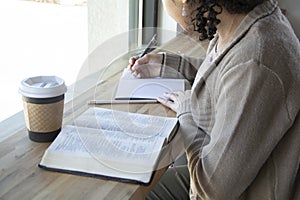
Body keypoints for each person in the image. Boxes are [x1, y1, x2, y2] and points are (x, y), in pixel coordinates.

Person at [128, 0, 300, 199]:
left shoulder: (256, 60)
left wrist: (187, 113)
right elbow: (226, 71)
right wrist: (172, 64)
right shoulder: (247, 23)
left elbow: (213, 189)